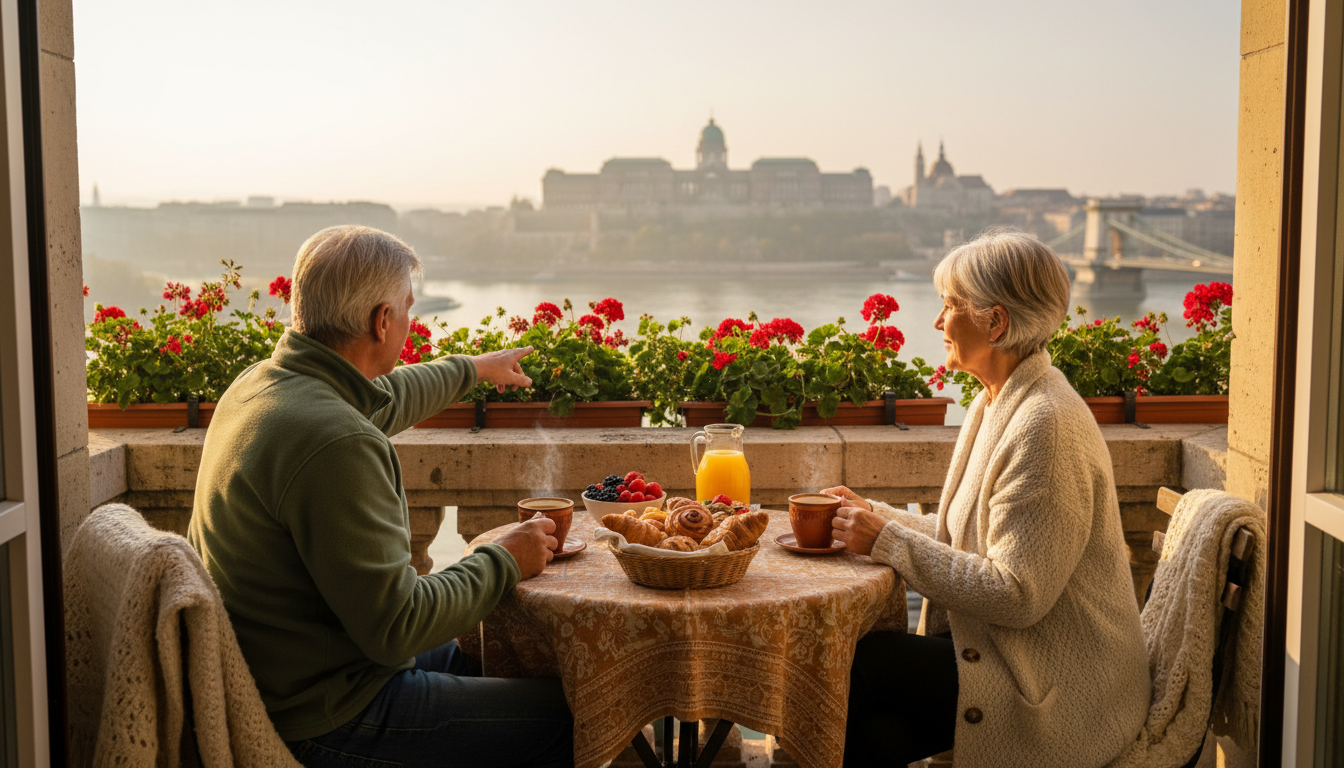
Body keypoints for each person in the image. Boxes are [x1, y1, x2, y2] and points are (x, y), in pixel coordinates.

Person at [188, 225, 574, 768]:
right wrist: (503, 559)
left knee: (507, 653)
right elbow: (398, 628)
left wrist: (473, 369)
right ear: (383, 321)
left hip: (295, 670)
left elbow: (384, 397)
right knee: (571, 718)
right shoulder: (334, 441)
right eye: (408, 309)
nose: (410, 321)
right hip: (328, 713)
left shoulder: (263, 386)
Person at [826, 230, 1149, 768]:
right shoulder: (996, 401)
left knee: (858, 666)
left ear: (995, 322)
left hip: (1062, 688)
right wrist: (875, 516)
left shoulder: (1045, 428)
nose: (937, 321)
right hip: (1010, 657)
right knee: (871, 733)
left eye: (950, 305)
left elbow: (1016, 593)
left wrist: (886, 542)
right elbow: (973, 542)